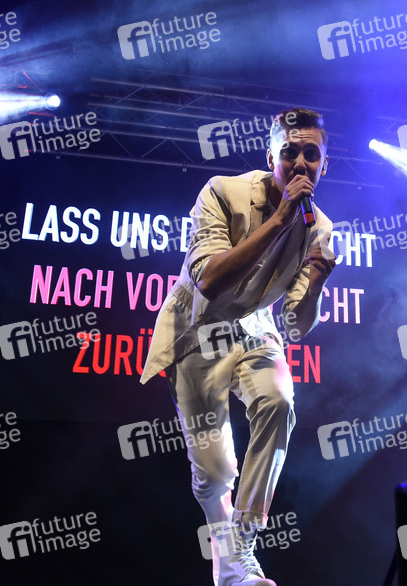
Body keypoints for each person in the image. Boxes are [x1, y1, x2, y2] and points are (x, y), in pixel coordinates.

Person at [141, 108, 336, 586]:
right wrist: (281, 219)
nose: (300, 163)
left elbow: (294, 325)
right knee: (215, 473)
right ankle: (228, 565)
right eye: (289, 152)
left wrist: (315, 283)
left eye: (311, 154)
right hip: (196, 325)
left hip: (254, 327)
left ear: (324, 164)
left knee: (279, 401)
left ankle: (242, 544)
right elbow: (209, 282)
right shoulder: (222, 192)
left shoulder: (320, 228)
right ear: (271, 157)